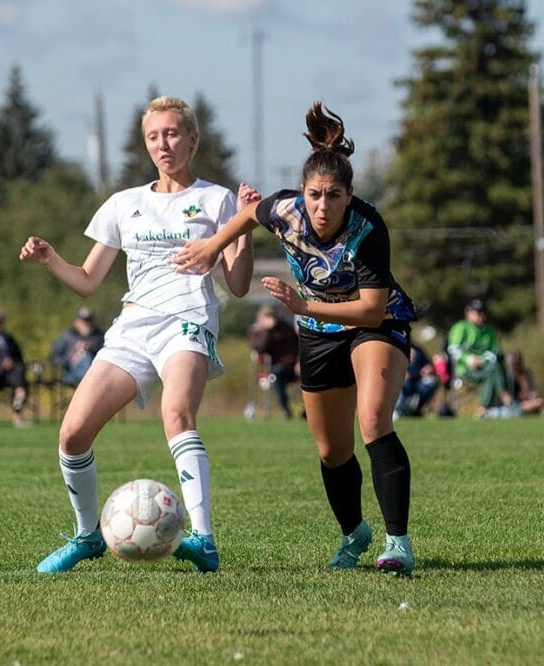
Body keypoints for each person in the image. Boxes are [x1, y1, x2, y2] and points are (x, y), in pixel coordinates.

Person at [174, 101, 417, 575]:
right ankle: (354, 534)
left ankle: (397, 543)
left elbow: (369, 308)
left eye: (333, 196)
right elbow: (249, 214)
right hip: (317, 334)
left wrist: (301, 305)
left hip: (376, 325)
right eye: (314, 194)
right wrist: (211, 245)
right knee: (331, 450)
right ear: (302, 191)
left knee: (372, 420)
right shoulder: (286, 209)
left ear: (350, 196)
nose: (322, 206)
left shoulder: (368, 230)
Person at [20, 95, 255, 574]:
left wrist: (242, 228)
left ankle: (205, 540)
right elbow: (88, 279)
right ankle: (88, 536)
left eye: (172, 134)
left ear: (192, 138)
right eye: (153, 136)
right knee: (71, 434)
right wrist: (50, 258)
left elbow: (239, 285)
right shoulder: (124, 204)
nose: (163, 144)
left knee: (177, 413)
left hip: (187, 319)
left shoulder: (217, 199)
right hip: (132, 327)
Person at [446, 299, 512, 412]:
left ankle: (484, 408)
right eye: (477, 312)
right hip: (465, 369)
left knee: (493, 368)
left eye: (482, 312)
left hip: (485, 367)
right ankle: (503, 395)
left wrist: (480, 360)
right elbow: (453, 349)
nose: (481, 315)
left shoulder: (490, 331)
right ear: (468, 313)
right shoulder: (461, 327)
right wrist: (469, 360)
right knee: (494, 369)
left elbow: (494, 352)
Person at [247, 304, 300, 419]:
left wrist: (299, 361)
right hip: (274, 368)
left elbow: (299, 346)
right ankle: (285, 410)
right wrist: (267, 331)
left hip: (295, 366)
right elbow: (260, 348)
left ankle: (308, 412)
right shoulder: (257, 331)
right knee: (278, 372)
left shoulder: (287, 329)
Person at [49, 306, 105, 387]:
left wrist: (91, 349)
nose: (86, 324)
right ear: (77, 322)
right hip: (71, 374)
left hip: (96, 372)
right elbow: (54, 358)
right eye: (83, 321)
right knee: (84, 358)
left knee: (87, 356)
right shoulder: (67, 336)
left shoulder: (100, 337)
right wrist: (71, 358)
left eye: (89, 320)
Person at [394, 343, 439, 418]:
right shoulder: (397, 348)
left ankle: (416, 410)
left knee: (431, 381)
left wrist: (428, 368)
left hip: (418, 380)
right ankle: (399, 410)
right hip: (403, 381)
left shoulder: (419, 350)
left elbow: (427, 365)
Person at [504, 351, 544, 416]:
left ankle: (525, 411)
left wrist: (532, 396)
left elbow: (533, 391)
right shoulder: (508, 377)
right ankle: (522, 412)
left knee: (539, 402)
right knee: (525, 406)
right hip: (517, 404)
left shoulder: (527, 374)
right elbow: (509, 397)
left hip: (528, 401)